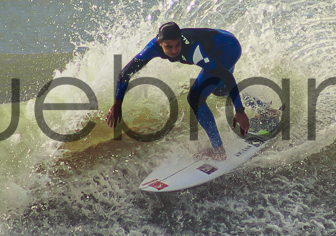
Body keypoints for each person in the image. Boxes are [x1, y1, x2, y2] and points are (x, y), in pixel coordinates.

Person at [106, 22, 249, 161]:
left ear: (181, 40)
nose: (174, 51)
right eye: (169, 47)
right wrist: (117, 103)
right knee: (220, 90)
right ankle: (256, 103)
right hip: (221, 41)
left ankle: (219, 151)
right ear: (160, 42)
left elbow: (226, 76)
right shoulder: (152, 48)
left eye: (177, 45)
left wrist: (239, 111)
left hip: (228, 49)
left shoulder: (194, 51)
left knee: (195, 98)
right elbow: (125, 73)